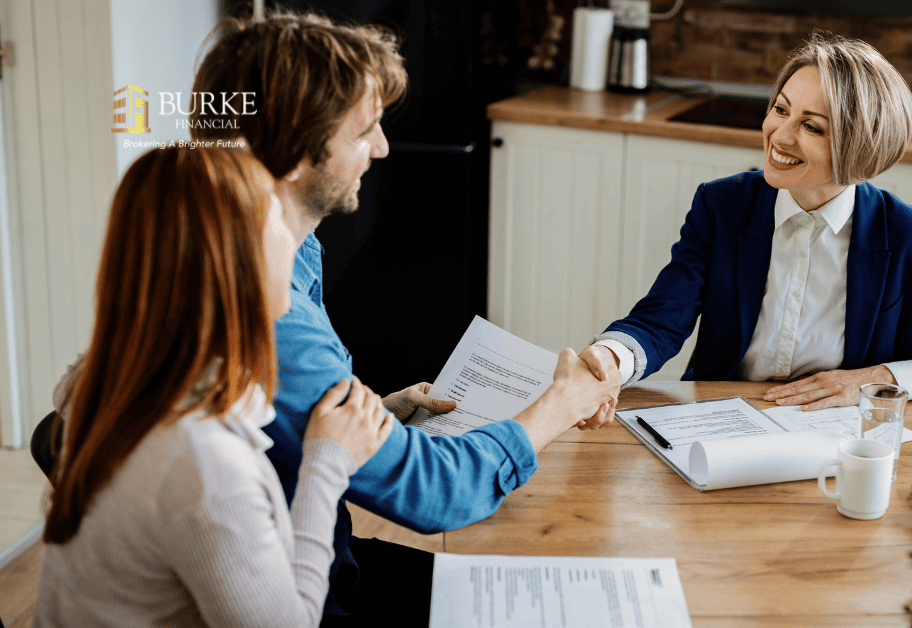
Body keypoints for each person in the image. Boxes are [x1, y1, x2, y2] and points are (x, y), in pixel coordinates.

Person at [188, 12, 620, 625]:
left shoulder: (279, 251)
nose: (384, 147)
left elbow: (282, 423)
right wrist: (562, 402)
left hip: (313, 555)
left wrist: (372, 418)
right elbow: (438, 492)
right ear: (293, 151)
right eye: (364, 130)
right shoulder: (270, 315)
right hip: (302, 595)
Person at [33, 146, 396, 626]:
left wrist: (357, 424)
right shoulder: (202, 463)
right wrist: (325, 463)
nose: (296, 239)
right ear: (233, 262)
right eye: (279, 220)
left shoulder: (117, 380)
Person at [586, 32, 912, 410]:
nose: (779, 136)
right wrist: (610, 359)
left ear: (861, 147)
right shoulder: (721, 206)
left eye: (812, 127)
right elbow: (661, 320)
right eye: (781, 110)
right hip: (721, 416)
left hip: (843, 435)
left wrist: (878, 378)